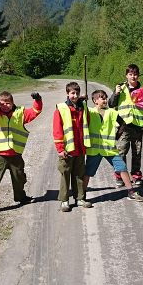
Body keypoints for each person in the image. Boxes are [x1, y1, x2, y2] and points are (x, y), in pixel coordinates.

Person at [0, 90, 42, 217]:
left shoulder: (20, 113)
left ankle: (21, 198)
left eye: (8, 103)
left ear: (12, 102)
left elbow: (35, 112)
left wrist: (38, 100)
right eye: (2, 103)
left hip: (16, 154)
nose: (5, 105)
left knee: (19, 178)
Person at [83, 89, 143, 202]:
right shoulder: (89, 112)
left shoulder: (112, 112)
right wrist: (83, 100)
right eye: (102, 98)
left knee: (122, 167)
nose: (105, 100)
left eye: (105, 97)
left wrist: (116, 136)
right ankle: (82, 196)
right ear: (95, 100)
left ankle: (131, 192)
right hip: (94, 150)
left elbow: (123, 123)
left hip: (109, 149)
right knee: (88, 172)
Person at [111, 64, 143, 187]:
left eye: (135, 74)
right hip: (123, 125)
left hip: (137, 125)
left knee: (137, 153)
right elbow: (111, 104)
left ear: (138, 75)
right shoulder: (120, 88)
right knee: (121, 152)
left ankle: (136, 176)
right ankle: (120, 175)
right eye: (130, 74)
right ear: (126, 75)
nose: (133, 76)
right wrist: (115, 93)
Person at [53, 82, 92, 212]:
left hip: (80, 148)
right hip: (67, 150)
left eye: (77, 93)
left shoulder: (83, 107)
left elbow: (88, 122)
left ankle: (80, 198)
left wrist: (82, 102)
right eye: (72, 93)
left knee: (79, 175)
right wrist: (60, 149)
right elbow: (57, 130)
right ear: (67, 93)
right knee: (65, 175)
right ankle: (64, 201)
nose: (75, 96)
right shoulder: (61, 108)